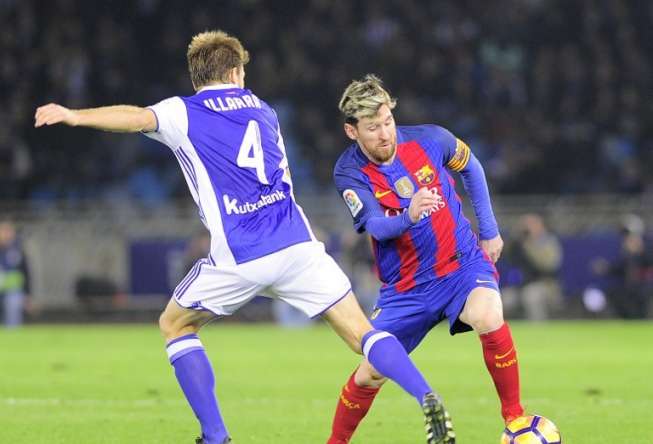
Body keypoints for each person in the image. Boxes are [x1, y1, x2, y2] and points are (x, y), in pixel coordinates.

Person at [34, 31, 454, 444]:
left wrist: (75, 114)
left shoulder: (184, 112)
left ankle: (216, 436)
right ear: (235, 72)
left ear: (199, 76)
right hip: (298, 246)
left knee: (175, 325)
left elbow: (135, 117)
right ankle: (425, 393)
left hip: (242, 253)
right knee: (364, 335)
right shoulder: (263, 109)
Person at [327, 75, 524, 444]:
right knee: (369, 372)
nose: (385, 134)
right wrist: (409, 215)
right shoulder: (349, 171)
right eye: (373, 128)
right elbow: (374, 225)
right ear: (352, 132)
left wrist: (490, 230)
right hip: (406, 289)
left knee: (487, 314)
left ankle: (514, 419)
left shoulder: (430, 138)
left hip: (461, 266)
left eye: (388, 122)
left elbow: (473, 167)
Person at [503, 214, 563, 321]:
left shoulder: (548, 242)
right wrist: (515, 236)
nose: (527, 229)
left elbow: (548, 265)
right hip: (520, 285)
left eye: (531, 225)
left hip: (545, 284)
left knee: (531, 296)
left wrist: (531, 244)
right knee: (504, 298)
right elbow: (505, 255)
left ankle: (539, 330)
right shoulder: (518, 243)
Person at [0, 220, 31, 327]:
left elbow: (26, 273)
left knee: (13, 316)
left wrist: (27, 295)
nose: (6, 234)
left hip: (13, 290)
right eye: (3, 231)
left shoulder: (18, 250)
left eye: (9, 231)